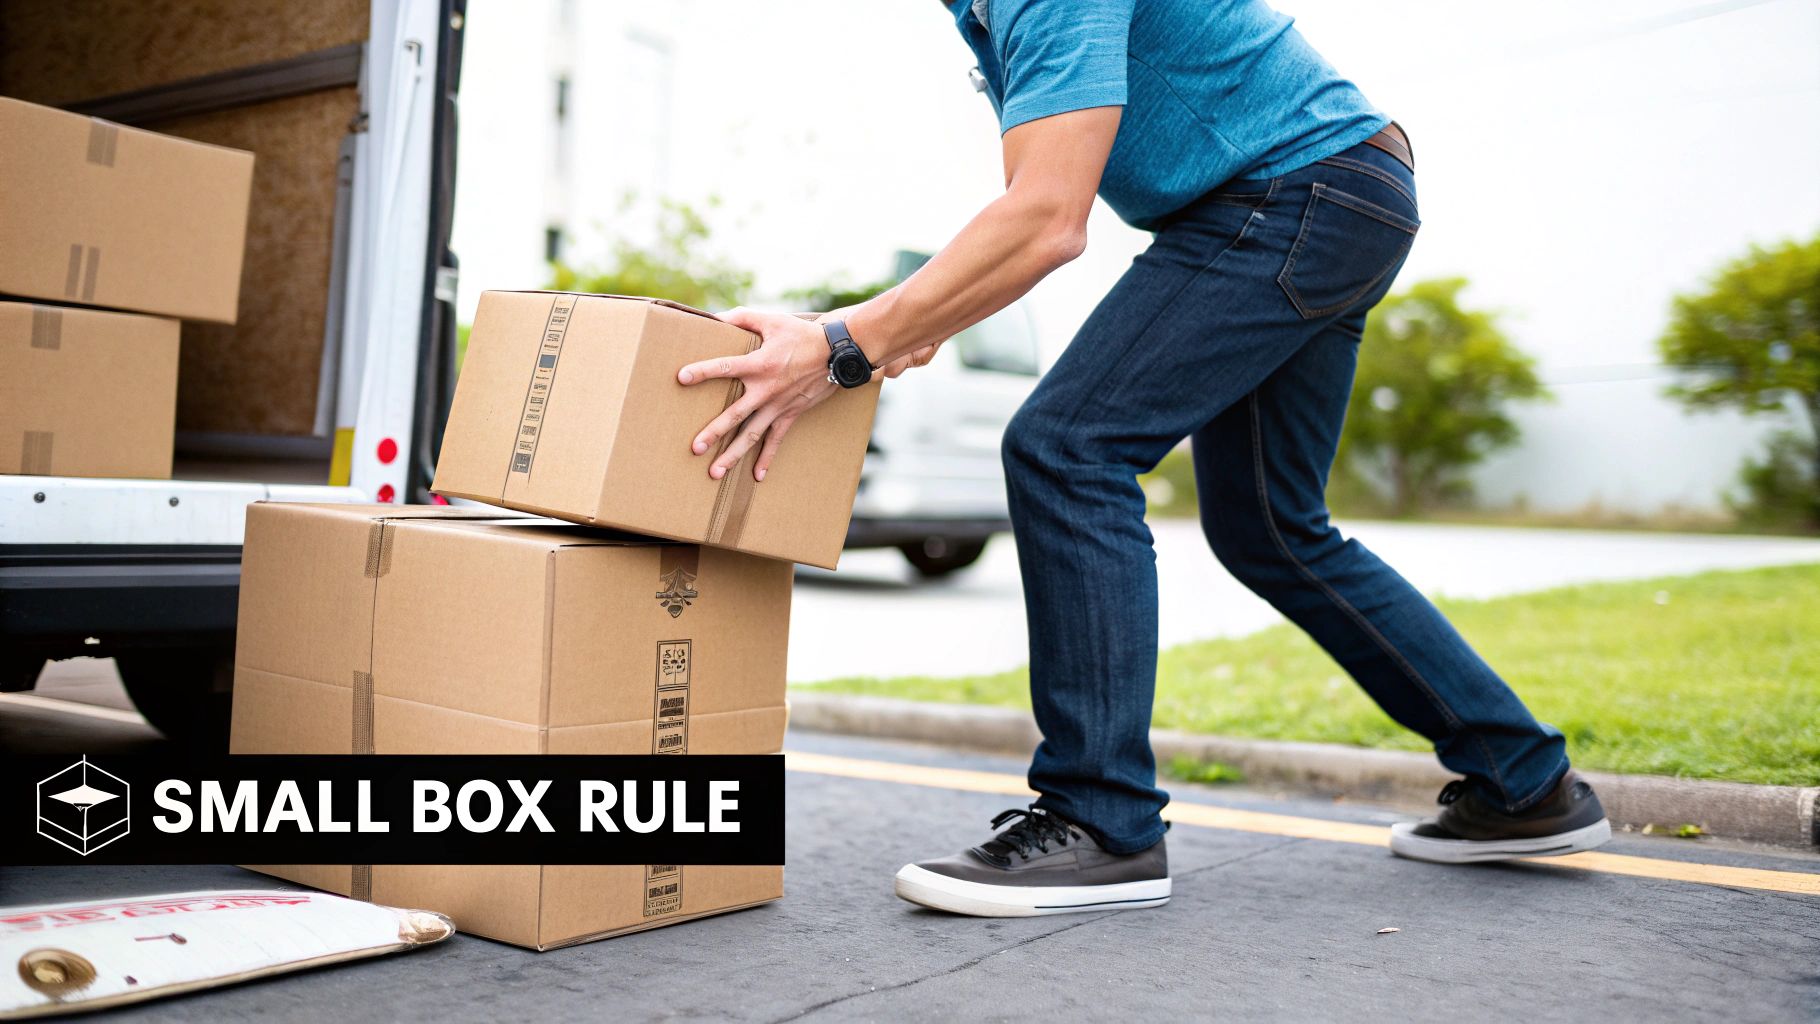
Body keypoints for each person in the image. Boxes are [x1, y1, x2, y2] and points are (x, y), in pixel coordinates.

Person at [677, 0, 1612, 917]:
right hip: (1334, 190)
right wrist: (889, 333)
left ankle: (1104, 821)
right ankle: (1522, 781)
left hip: (1289, 192)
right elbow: (1029, 210)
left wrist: (845, 344)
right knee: (1273, 529)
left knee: (1067, 450)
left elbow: (1048, 219)